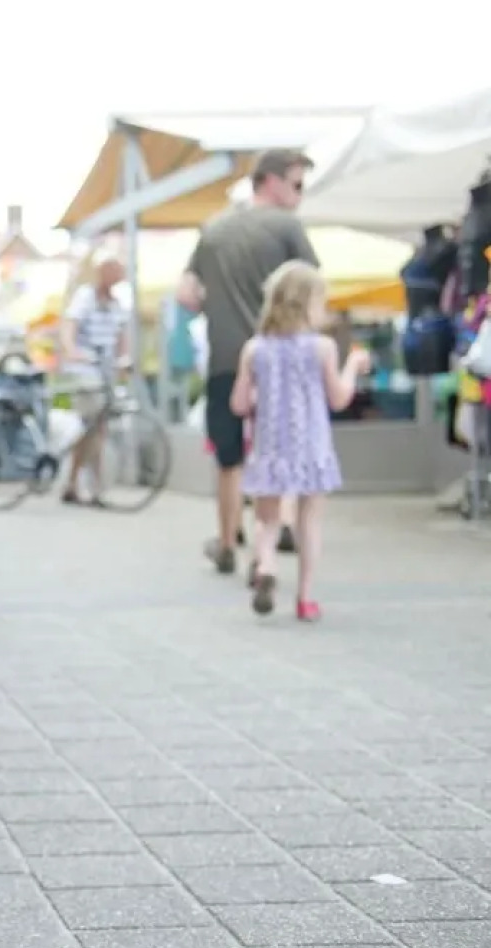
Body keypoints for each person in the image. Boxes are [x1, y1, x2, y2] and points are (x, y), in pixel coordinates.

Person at [178, 149, 320, 575]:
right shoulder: (286, 227)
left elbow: (186, 293)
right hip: (279, 358)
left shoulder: (214, 229)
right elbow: (311, 288)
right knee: (278, 447)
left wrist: (218, 306)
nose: (300, 195)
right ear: (271, 181)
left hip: (225, 358)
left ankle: (226, 542)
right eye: (297, 185)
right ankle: (278, 531)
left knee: (230, 458)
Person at [231, 261, 366, 622]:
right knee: (309, 522)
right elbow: (338, 398)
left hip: (271, 447)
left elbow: (239, 404)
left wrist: (261, 395)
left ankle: (266, 565)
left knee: (268, 520)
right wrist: (353, 366)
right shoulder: (322, 348)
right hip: (311, 447)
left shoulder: (255, 349)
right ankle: (305, 599)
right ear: (308, 304)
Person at [59, 252, 129, 506]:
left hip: (104, 372)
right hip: (85, 371)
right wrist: (72, 350)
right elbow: (69, 327)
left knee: (94, 429)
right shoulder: (85, 298)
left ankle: (73, 482)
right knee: (95, 427)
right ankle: (95, 487)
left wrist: (124, 359)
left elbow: (121, 337)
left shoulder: (116, 305)